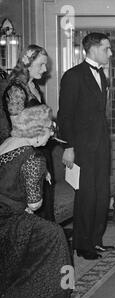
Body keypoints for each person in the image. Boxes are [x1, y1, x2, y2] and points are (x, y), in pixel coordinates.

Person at [0, 104, 72, 298]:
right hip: (10, 222)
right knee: (54, 234)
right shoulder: (34, 158)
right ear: (38, 132)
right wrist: (39, 175)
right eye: (49, 131)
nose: (50, 136)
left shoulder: (7, 143)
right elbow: (34, 205)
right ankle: (55, 291)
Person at [58, 32, 114, 260]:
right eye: (106, 49)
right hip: (81, 147)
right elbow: (65, 116)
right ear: (92, 49)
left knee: (101, 194)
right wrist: (69, 147)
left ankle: (96, 240)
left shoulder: (103, 76)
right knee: (86, 195)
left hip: (101, 145)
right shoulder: (73, 76)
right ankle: (83, 244)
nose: (110, 53)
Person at [1, 45, 55, 222]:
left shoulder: (33, 86)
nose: (45, 69)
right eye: (41, 65)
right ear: (27, 64)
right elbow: (17, 128)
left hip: (41, 149)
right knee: (31, 213)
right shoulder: (16, 89)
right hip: (25, 153)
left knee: (46, 206)